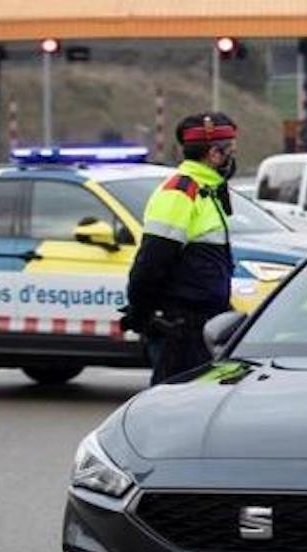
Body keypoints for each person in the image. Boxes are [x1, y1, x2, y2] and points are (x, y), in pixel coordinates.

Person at [121, 112, 238, 384]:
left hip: (202, 324)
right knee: (171, 412)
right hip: (181, 329)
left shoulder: (206, 190)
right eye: (229, 151)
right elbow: (151, 262)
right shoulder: (180, 192)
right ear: (214, 155)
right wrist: (141, 314)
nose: (232, 158)